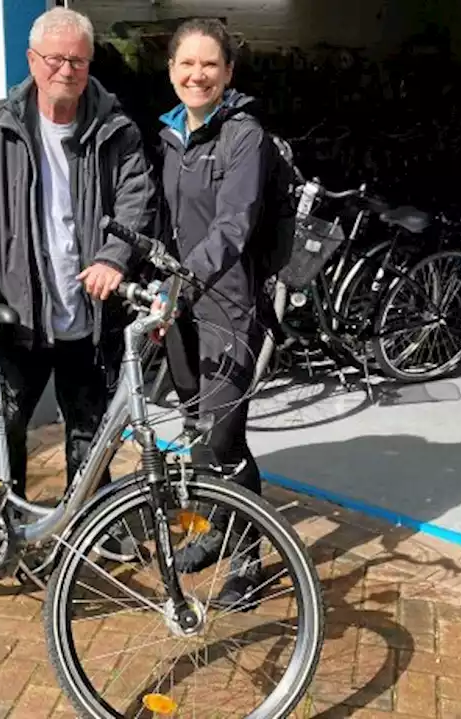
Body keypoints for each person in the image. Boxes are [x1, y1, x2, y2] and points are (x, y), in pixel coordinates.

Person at [0, 7, 157, 558]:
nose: (67, 69)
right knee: (4, 428)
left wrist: (114, 257)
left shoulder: (115, 129)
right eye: (55, 58)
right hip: (19, 313)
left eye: (78, 59)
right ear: (33, 61)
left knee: (90, 431)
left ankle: (89, 534)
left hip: (88, 313)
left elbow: (138, 199)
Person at [157, 18, 274, 605]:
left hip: (228, 305)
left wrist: (181, 280)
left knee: (224, 439)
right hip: (181, 307)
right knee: (197, 431)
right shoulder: (170, 136)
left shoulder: (244, 135)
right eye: (186, 64)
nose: (197, 74)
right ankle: (210, 532)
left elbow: (234, 223)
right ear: (171, 70)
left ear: (228, 72)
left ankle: (248, 559)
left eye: (210, 64)